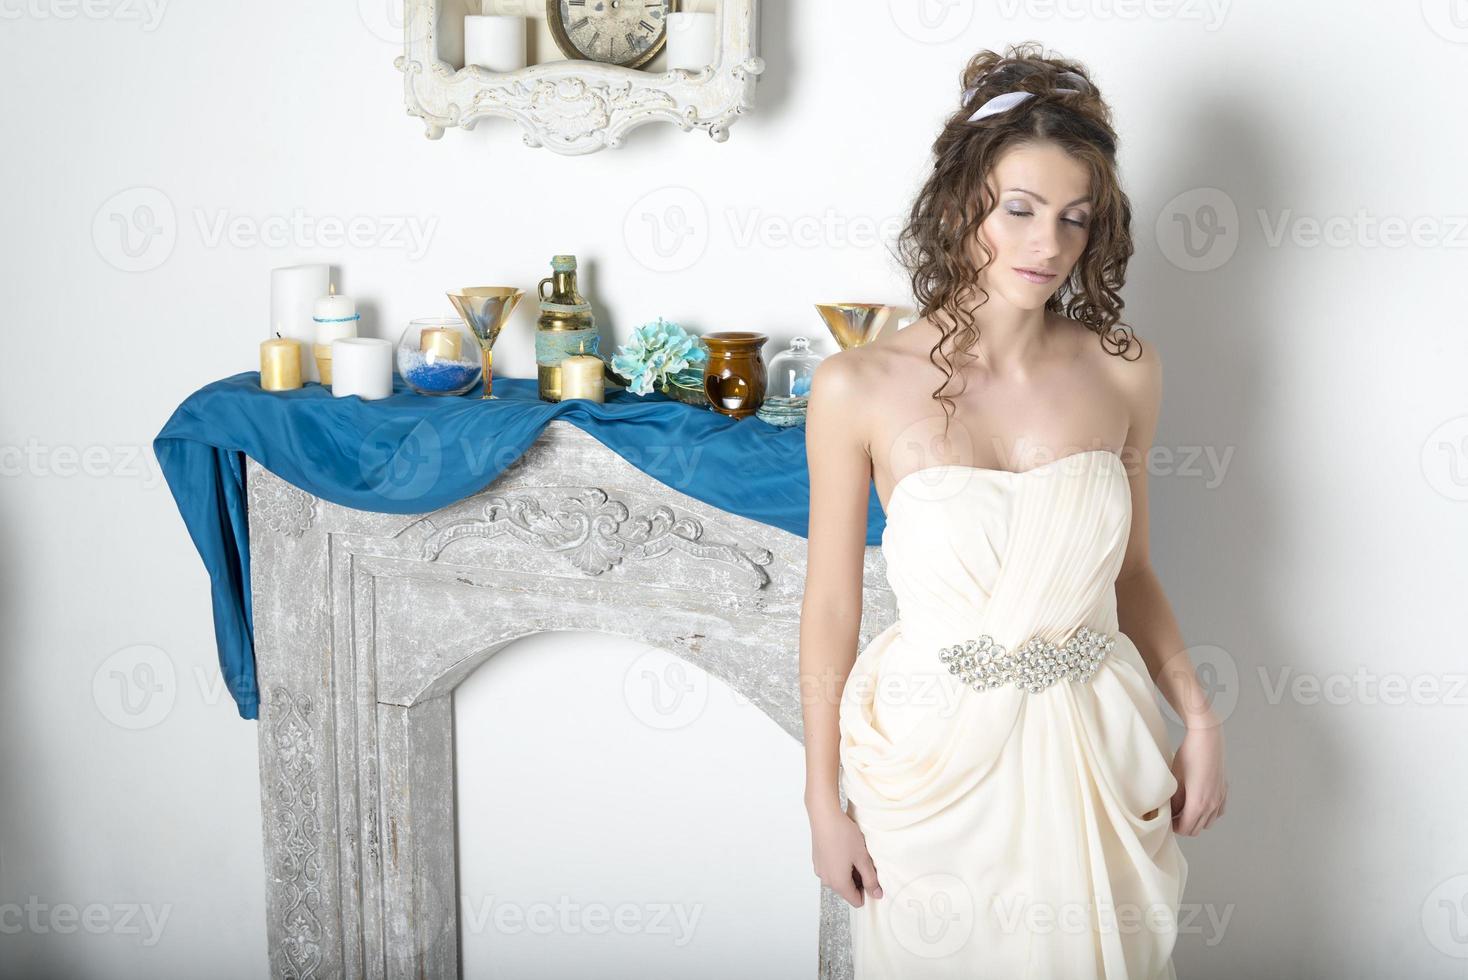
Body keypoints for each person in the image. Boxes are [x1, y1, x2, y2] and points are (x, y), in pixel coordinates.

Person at [799, 42, 1228, 979]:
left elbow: (1134, 571)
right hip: (933, 761)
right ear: (962, 210)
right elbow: (831, 608)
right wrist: (821, 801)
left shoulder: (1125, 368)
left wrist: (1198, 717)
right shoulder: (857, 384)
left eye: (1075, 220)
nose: (1049, 245)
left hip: (1093, 746)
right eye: (1020, 211)